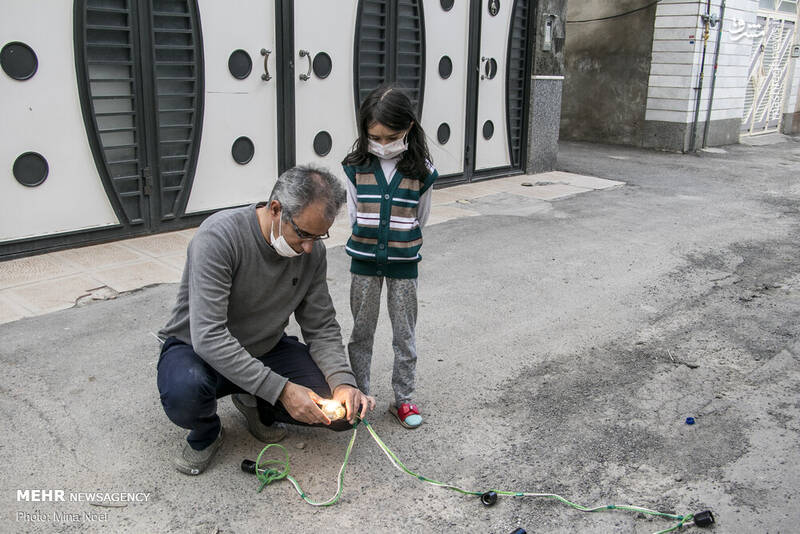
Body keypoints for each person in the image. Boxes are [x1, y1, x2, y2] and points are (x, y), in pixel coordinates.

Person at [156, 165, 375, 475]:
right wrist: (282, 390)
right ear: (276, 209)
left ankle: (254, 402)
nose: (309, 247)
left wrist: (343, 384)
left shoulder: (312, 252)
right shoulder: (219, 237)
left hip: (265, 347)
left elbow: (321, 325)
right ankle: (207, 432)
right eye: (303, 234)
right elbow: (208, 336)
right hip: (197, 349)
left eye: (319, 235)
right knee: (184, 391)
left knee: (339, 413)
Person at [341, 85, 438, 429]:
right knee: (361, 333)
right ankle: (359, 396)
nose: (382, 143)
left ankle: (404, 400)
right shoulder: (355, 166)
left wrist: (400, 241)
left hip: (403, 264)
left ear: (408, 127)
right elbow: (354, 215)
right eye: (374, 136)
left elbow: (420, 217)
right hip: (363, 262)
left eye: (391, 136)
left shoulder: (421, 170)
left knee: (404, 333)